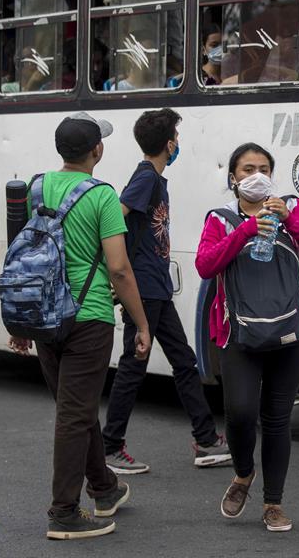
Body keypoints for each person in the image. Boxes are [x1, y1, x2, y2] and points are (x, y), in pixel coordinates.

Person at [8, 112, 152, 540]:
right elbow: (120, 269)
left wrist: (19, 320)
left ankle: (105, 489)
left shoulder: (34, 188)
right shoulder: (103, 195)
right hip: (88, 318)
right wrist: (141, 323)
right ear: (97, 150)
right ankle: (64, 512)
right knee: (75, 413)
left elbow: (17, 253)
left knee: (77, 406)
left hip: (42, 314)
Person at [195, 143, 299, 532]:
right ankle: (242, 473)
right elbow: (206, 265)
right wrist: (247, 230)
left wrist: (291, 218)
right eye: (246, 168)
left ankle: (274, 503)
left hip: (293, 335)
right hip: (238, 335)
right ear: (233, 178)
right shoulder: (221, 220)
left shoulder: (290, 210)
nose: (255, 174)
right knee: (239, 412)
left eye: (263, 168)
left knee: (277, 419)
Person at [102, 108, 231, 474]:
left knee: (183, 361)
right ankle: (110, 447)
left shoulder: (154, 179)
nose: (179, 144)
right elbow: (118, 211)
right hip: (143, 286)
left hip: (154, 284)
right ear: (169, 143)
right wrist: (122, 268)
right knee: (134, 364)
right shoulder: (146, 178)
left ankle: (206, 440)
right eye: (177, 137)